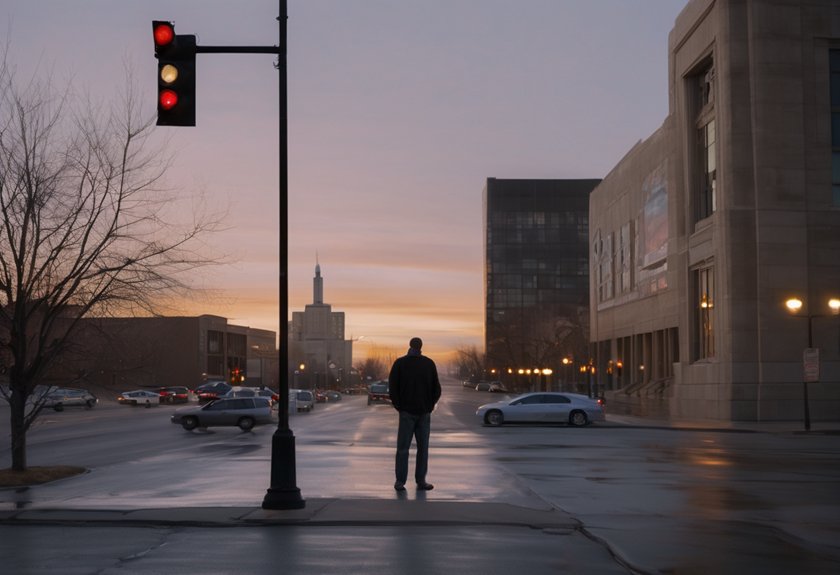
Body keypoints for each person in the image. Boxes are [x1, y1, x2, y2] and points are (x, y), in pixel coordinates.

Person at [388, 336, 441, 491]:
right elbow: (436, 389)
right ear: (420, 346)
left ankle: (400, 481)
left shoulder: (400, 363)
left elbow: (392, 387)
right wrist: (429, 405)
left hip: (409, 412)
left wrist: (399, 406)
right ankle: (421, 480)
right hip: (422, 413)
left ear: (410, 346)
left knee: (403, 448)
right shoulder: (428, 364)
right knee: (422, 449)